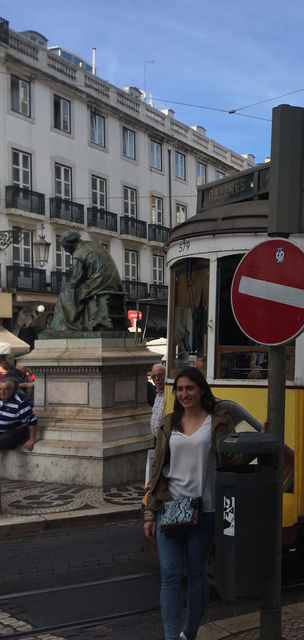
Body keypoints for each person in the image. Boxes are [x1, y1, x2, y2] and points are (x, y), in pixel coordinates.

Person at [142, 367, 240, 640]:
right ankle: (172, 637)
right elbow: (157, 470)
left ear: (201, 391)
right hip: (169, 507)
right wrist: (150, 514)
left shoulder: (218, 422)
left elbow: (233, 459)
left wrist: (259, 441)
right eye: (180, 389)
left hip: (205, 509)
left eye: (190, 388)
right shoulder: (168, 423)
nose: (184, 394)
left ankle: (190, 633)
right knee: (170, 575)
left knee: (197, 575)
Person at [50, 230, 127, 332]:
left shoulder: (78, 253)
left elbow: (76, 279)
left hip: (99, 283)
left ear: (69, 245)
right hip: (114, 284)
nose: (66, 251)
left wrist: (68, 287)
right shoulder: (94, 245)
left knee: (65, 295)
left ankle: (67, 327)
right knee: (78, 293)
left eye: (65, 248)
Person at [0, 377, 37, 451]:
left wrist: (31, 440)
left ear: (12, 390)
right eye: (0, 389)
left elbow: (32, 420)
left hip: (14, 432)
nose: (2, 392)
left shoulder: (20, 404)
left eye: (6, 389)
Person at [149, 363, 166, 439]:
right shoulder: (158, 393)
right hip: (157, 439)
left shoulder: (170, 394)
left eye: (160, 375)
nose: (157, 379)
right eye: (154, 376)